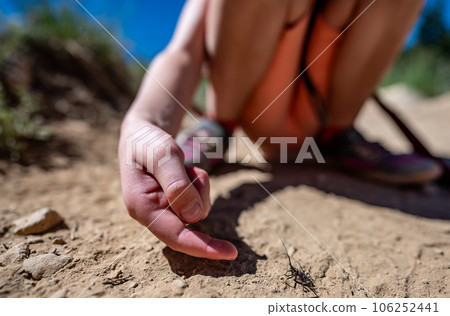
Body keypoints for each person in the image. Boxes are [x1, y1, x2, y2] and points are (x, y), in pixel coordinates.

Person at [118, 0, 440, 260]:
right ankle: (217, 127)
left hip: (324, 114)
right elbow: (184, 51)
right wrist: (143, 124)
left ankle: (339, 137)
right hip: (258, 110)